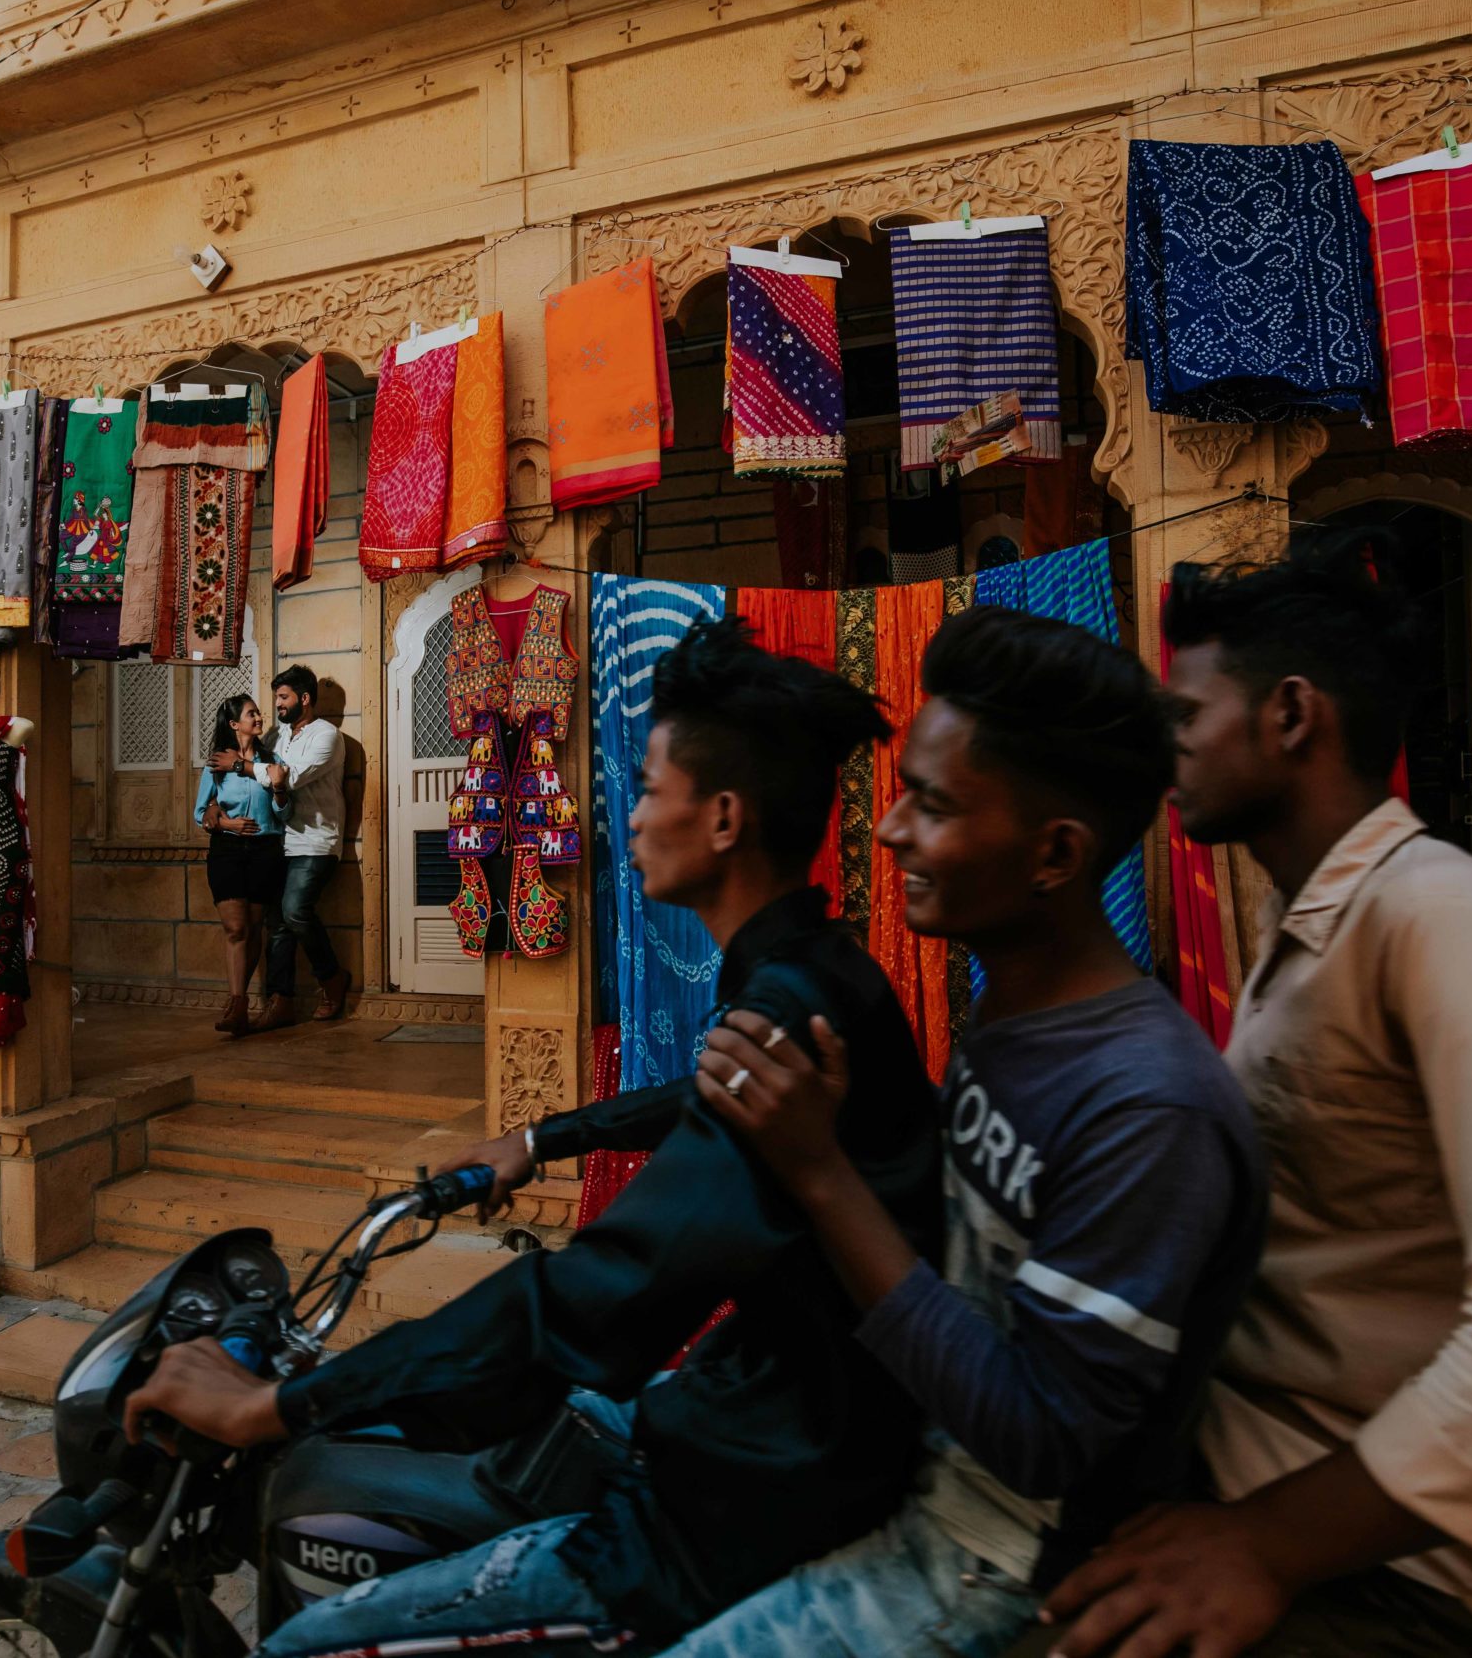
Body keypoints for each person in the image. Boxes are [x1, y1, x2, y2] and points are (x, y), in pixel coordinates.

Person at [124, 618, 946, 1656]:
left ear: (724, 818)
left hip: (748, 1489)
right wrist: (539, 1138)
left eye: (650, 790)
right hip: (765, 1417)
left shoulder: (786, 1008)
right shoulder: (809, 977)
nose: (632, 816)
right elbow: (699, 1100)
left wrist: (281, 1405)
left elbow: (592, 1299)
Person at [1041, 535, 1472, 1658]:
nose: (1165, 753)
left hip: (1397, 1578)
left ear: (1292, 716)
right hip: (1250, 1494)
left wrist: (1268, 1545)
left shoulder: (1449, 924)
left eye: (1186, 717)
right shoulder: (1303, 933)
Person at [664, 607, 1269, 1658]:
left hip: (986, 1568)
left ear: (1054, 855)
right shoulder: (1017, 1014)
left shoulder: (1144, 1107)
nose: (891, 831)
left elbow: (1042, 1437)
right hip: (901, 1481)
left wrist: (821, 1175)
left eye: (932, 805)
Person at [259, 664, 350, 1028]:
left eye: (284, 697)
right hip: (281, 841)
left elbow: (288, 778)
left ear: (305, 698)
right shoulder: (278, 738)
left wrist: (247, 769)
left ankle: (332, 978)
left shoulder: (327, 735)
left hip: (316, 842)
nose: (278, 705)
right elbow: (268, 771)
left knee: (295, 911)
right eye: (277, 697)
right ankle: (280, 1001)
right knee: (278, 921)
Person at [199, 692, 284, 1037]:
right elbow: (201, 812)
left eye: (259, 713)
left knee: (253, 927)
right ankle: (238, 1003)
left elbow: (283, 813)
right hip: (228, 850)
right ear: (235, 724)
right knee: (235, 928)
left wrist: (280, 793)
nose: (259, 717)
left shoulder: (271, 759)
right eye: (252, 714)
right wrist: (227, 823)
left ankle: (238, 1003)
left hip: (265, 850)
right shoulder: (218, 763)